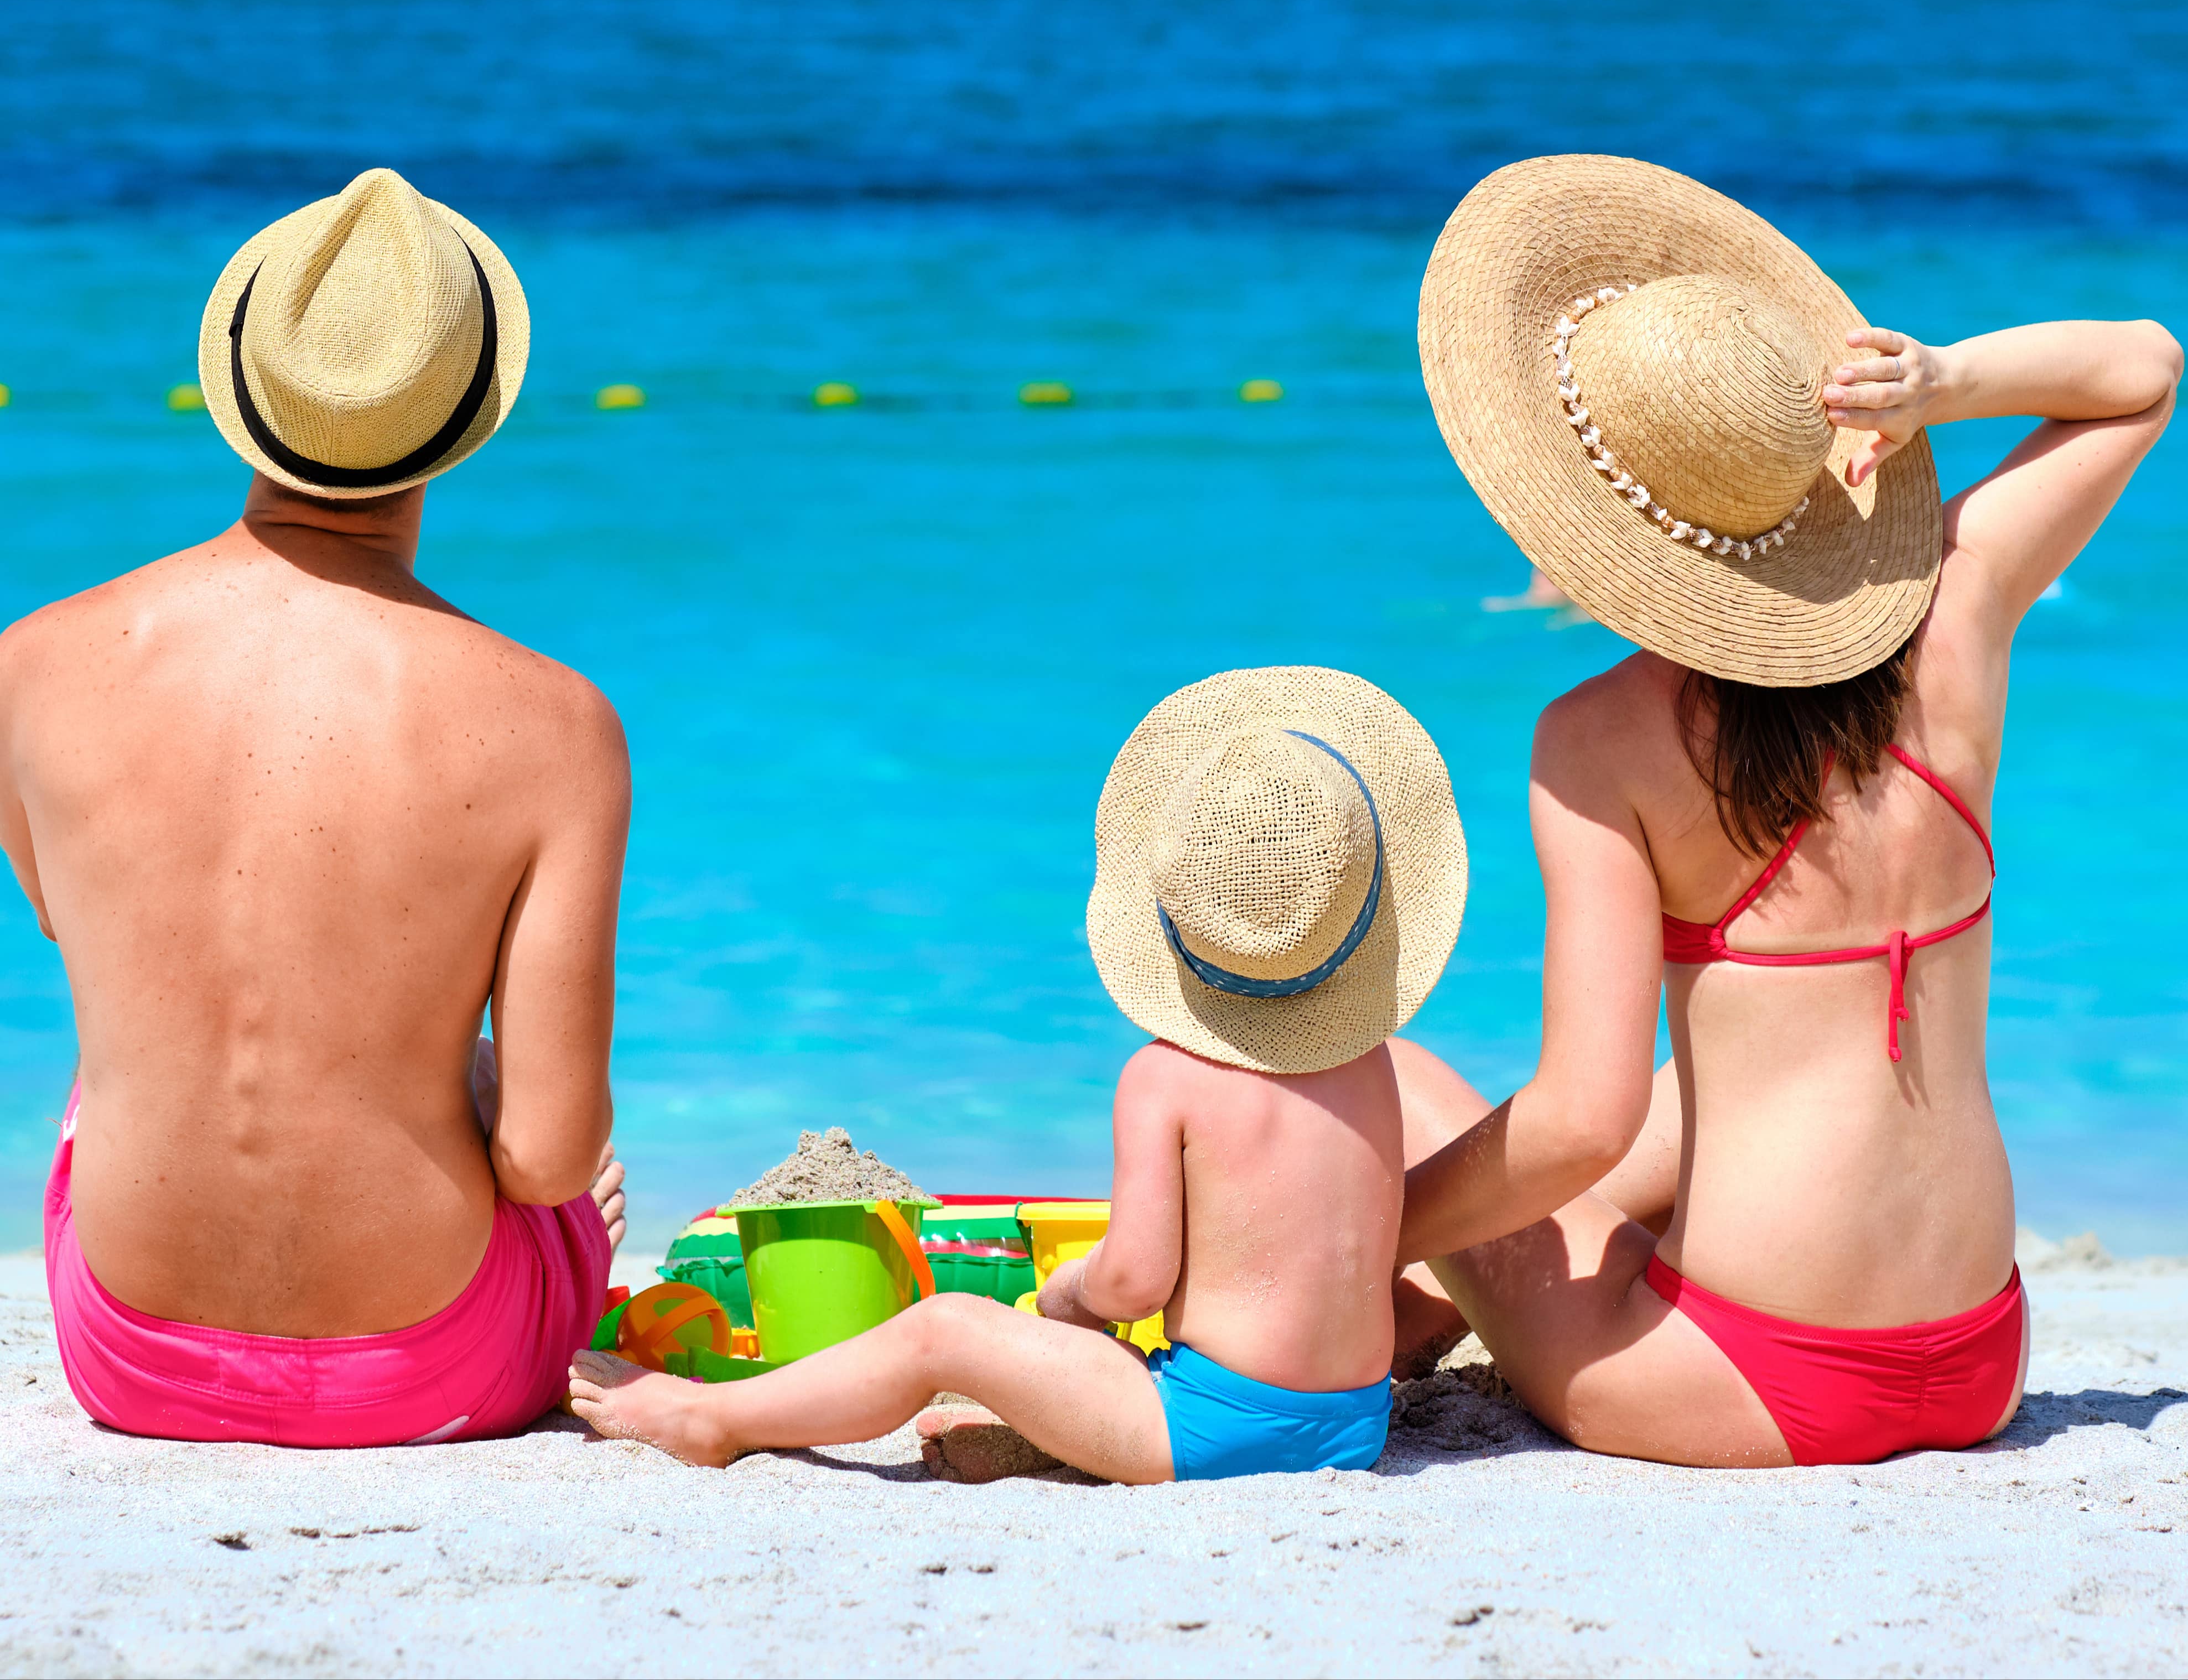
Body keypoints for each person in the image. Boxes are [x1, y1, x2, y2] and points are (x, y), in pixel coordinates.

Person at [1396, 153, 2180, 1469]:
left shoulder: (1597, 740)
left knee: (1407, 1088)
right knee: (1695, 1088)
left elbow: (1573, 1123)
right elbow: (2145, 369)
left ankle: (1380, 1293)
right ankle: (1417, 1302)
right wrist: (1940, 385)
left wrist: (1371, 1226)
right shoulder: (1956, 611)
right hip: (1980, 1355)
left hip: (1753, 1376)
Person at [2, 168, 631, 1447]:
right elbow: (548, 1161)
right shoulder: (557, 724)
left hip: (126, 1355)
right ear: (468, 421)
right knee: (534, 1132)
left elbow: (85, 928)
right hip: (430, 1364)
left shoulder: (29, 665)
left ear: (241, 395)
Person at [569, 665, 1468, 1481]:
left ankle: (713, 1417)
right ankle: (1038, 1436)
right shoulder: (1373, 1064)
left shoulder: (1166, 1078)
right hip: (1355, 1426)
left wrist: (1067, 1293)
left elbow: (1135, 1285)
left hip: (1212, 1431)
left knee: (944, 1327)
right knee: (1100, 1370)